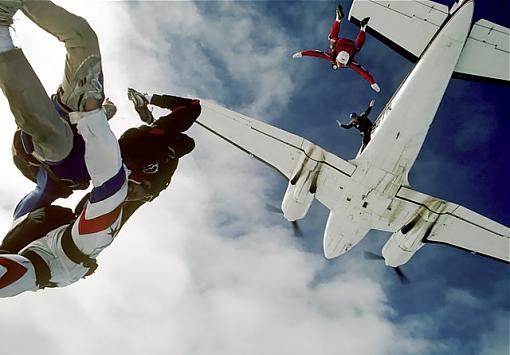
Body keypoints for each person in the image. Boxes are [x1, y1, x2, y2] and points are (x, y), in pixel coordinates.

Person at [292, 4, 380, 92]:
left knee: (338, 40)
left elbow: (316, 54)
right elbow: (363, 72)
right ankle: (353, 24)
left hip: (345, 45)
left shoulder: (336, 59)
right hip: (345, 45)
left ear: (336, 62)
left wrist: (302, 53)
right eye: (340, 65)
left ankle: (358, 25)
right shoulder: (348, 62)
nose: (340, 66)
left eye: (339, 65)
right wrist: (372, 82)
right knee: (335, 39)